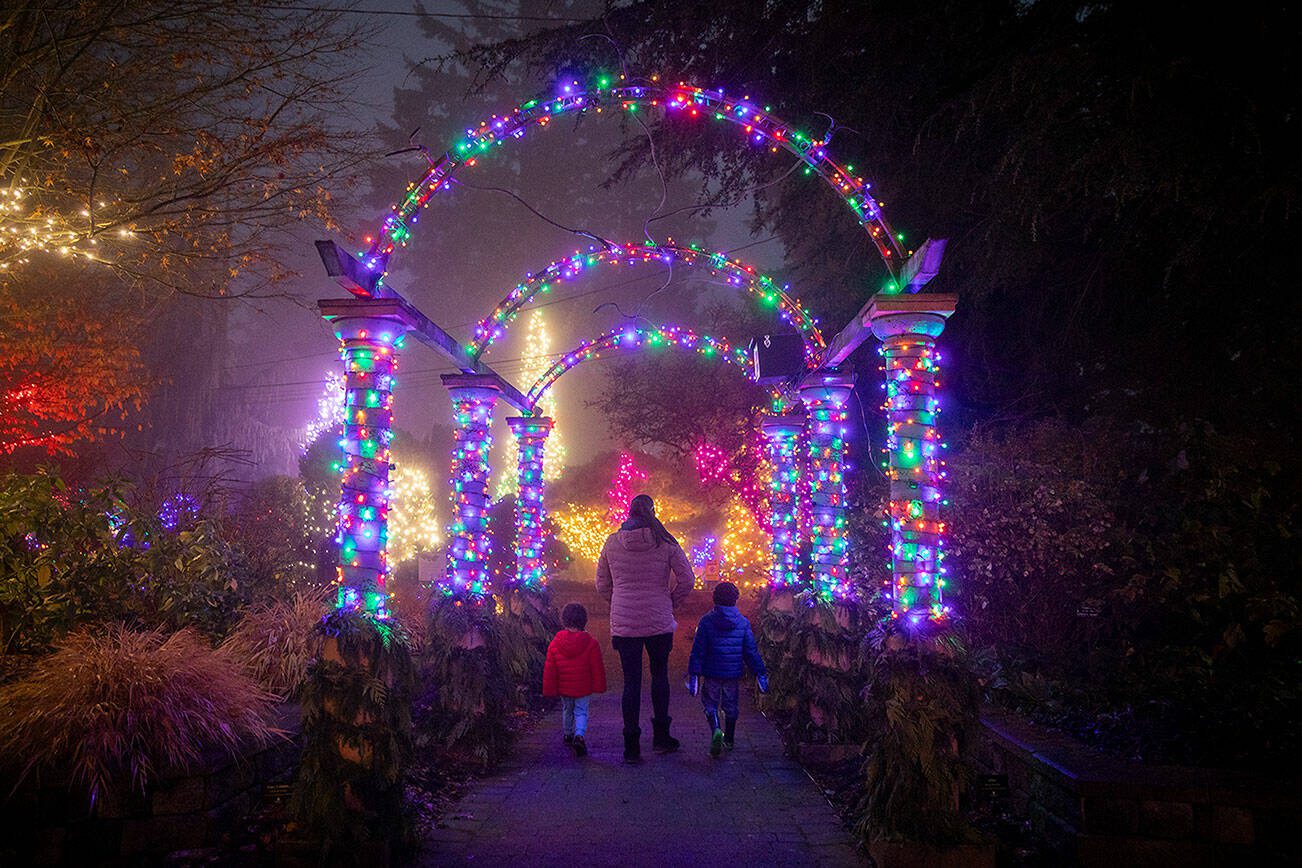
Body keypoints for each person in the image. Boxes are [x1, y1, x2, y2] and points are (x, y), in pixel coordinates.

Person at [596, 493, 695, 764]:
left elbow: (602, 584)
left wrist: (617, 602)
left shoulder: (612, 542)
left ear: (629, 512)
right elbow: (687, 579)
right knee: (659, 677)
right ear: (652, 511)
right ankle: (662, 738)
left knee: (631, 682)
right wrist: (670, 601)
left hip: (625, 624)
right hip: (658, 621)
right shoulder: (665, 542)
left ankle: (631, 746)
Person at [686, 581, 768, 757]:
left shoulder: (706, 622)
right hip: (732, 673)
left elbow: (698, 651)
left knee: (710, 704)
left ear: (715, 599)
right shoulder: (743, 623)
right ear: (735, 599)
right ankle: (729, 739)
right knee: (731, 706)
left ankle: (716, 729)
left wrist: (694, 675)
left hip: (712, 673)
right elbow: (750, 651)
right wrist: (760, 672)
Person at [542, 602, 607, 758]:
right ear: (584, 621)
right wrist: (599, 685)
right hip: (583, 686)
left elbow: (550, 668)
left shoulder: (555, 643)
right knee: (581, 711)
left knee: (567, 709)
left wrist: (549, 688)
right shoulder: (591, 644)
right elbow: (597, 667)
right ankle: (579, 735)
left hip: (564, 687)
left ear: (564, 620)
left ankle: (567, 733)